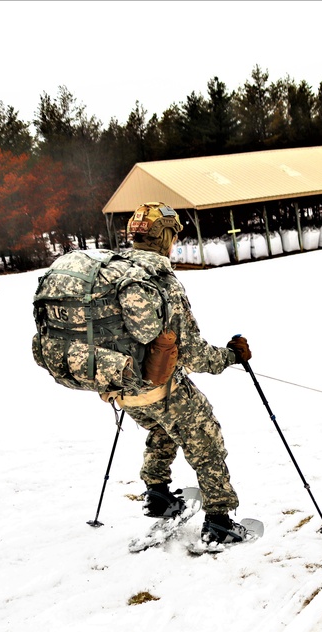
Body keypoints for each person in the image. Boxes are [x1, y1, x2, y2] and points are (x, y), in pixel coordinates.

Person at [100, 202, 254, 546]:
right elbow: (194, 355)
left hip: (120, 389)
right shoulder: (161, 281)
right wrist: (230, 356)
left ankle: (157, 495)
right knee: (205, 439)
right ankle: (219, 521)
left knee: (161, 428)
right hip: (160, 387)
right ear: (164, 237)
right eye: (173, 235)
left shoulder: (113, 273)